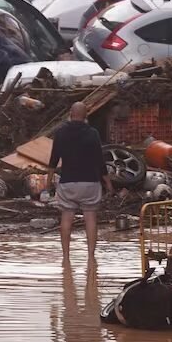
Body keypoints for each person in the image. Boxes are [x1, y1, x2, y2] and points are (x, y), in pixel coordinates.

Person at [48, 102, 112, 262]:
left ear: (70, 113)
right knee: (90, 218)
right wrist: (108, 182)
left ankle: (66, 257)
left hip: (68, 182)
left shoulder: (61, 133)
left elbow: (53, 159)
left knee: (66, 217)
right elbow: (99, 160)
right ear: (86, 115)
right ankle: (91, 257)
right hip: (90, 182)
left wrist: (49, 181)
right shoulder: (93, 133)